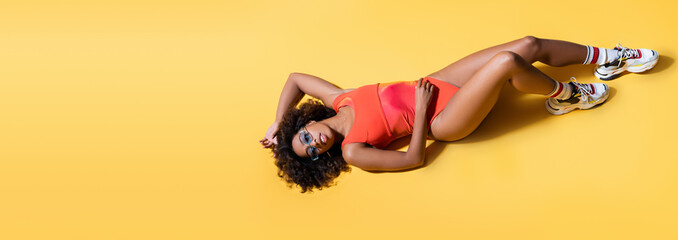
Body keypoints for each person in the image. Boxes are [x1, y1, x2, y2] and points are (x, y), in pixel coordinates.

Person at [259, 36, 659, 193]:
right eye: (312, 152)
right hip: (442, 119)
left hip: (435, 82)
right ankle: (567, 94)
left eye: (305, 137)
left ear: (306, 122)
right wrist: (419, 109)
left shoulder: (340, 98)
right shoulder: (353, 152)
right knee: (506, 63)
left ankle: (608, 58)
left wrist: (278, 123)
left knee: (528, 45)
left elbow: (295, 78)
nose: (316, 144)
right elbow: (413, 159)